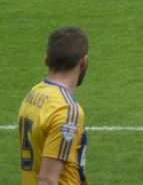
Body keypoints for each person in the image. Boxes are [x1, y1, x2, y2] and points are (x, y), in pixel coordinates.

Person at [18, 27, 91, 184]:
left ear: (47, 60)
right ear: (84, 62)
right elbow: (47, 180)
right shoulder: (66, 110)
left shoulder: (33, 94)